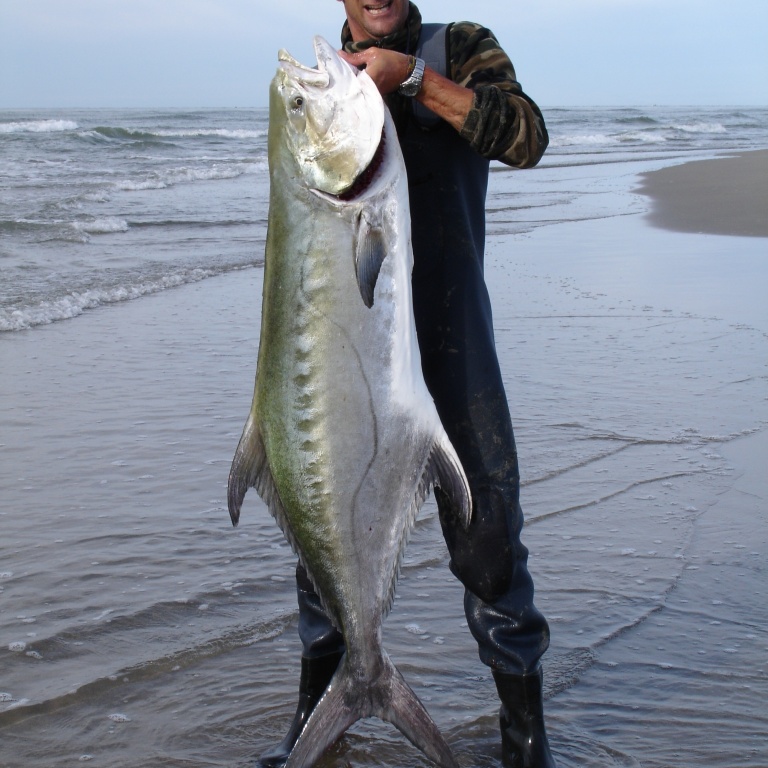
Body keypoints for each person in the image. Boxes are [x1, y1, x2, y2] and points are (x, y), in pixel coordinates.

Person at [259, 2, 556, 766]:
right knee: (324, 528)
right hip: (351, 354)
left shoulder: (458, 48)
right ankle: (315, 726)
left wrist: (418, 80)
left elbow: (525, 137)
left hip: (452, 340)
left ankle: (525, 743)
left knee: (490, 542)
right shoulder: (335, 90)